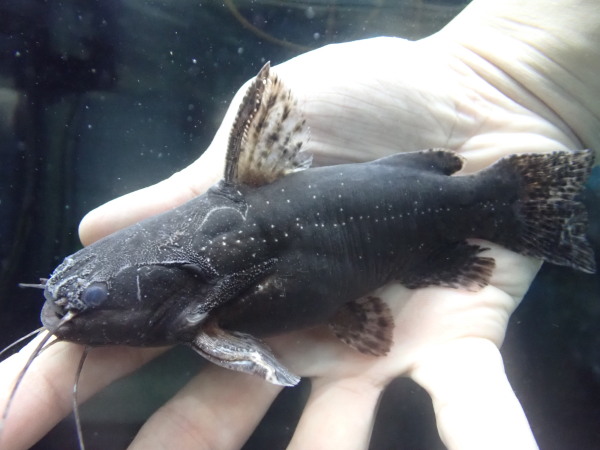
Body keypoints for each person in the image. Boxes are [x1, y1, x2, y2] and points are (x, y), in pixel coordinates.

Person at [1, 0, 598, 448]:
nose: (64, 305)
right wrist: (520, 78)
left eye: (91, 294)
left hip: (416, 214)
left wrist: (505, 80)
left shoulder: (218, 255)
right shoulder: (220, 235)